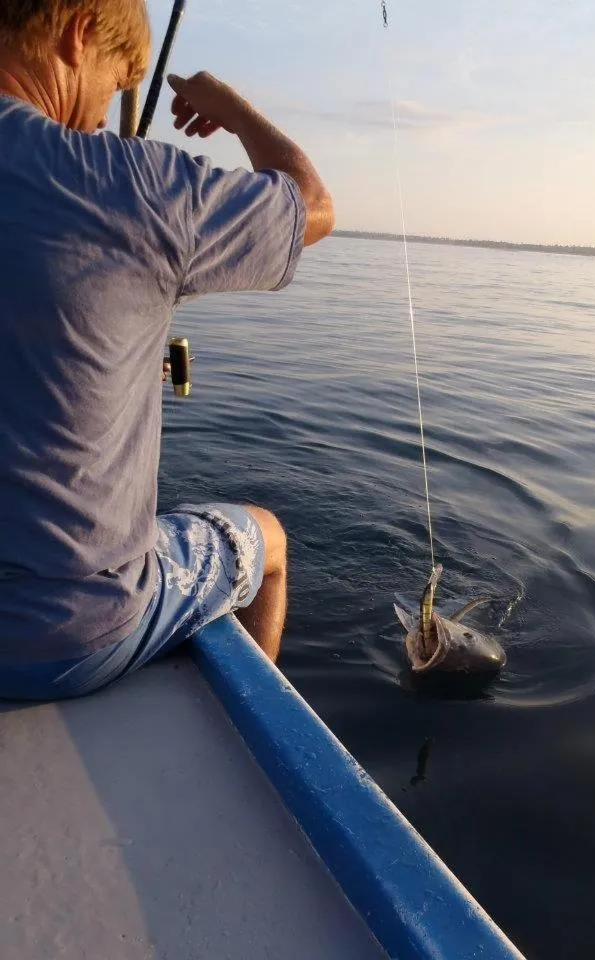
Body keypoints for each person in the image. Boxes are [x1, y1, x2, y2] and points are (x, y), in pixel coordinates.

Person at [0, 0, 334, 700]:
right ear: (78, 32)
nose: (101, 115)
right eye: (119, 82)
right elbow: (312, 205)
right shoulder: (130, 187)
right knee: (267, 540)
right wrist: (232, 110)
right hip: (52, 638)